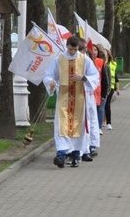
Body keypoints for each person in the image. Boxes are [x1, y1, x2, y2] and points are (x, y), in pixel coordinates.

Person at [44, 35, 99, 168]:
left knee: (78, 127)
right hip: (64, 98)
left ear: (78, 48)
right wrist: (50, 82)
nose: (72, 52)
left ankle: (75, 155)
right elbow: (49, 74)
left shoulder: (84, 60)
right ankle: (61, 155)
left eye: (74, 49)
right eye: (70, 49)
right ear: (66, 46)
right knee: (62, 125)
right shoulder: (60, 59)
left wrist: (83, 77)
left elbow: (95, 76)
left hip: (79, 99)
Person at [104, 49, 120, 129]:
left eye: (106, 53)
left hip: (111, 87)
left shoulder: (113, 64)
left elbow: (116, 77)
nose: (105, 55)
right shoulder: (101, 63)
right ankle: (103, 120)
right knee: (102, 106)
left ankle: (109, 122)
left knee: (107, 105)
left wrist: (117, 89)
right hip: (102, 87)